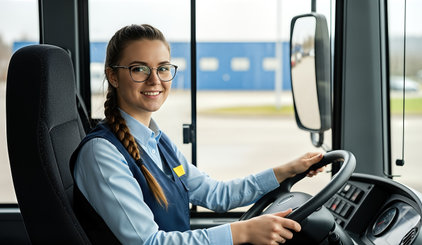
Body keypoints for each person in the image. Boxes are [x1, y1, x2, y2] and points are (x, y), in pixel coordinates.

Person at [71, 24, 324, 245]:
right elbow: (149, 242)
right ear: (113, 76)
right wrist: (242, 232)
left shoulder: (157, 142)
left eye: (163, 68)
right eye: (139, 69)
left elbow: (215, 193)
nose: (155, 80)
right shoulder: (102, 153)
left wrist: (287, 171)